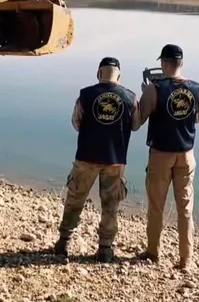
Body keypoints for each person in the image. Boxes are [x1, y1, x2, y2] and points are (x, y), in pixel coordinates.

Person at [53, 57, 142, 263]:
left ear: (98, 73)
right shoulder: (130, 98)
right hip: (115, 159)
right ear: (118, 76)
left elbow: (76, 123)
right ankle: (105, 249)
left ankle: (63, 242)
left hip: (86, 156)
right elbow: (136, 125)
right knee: (110, 206)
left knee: (75, 200)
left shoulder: (85, 95)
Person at [136, 44, 199, 270]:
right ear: (181, 63)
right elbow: (198, 118)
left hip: (161, 154)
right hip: (186, 155)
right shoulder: (196, 88)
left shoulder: (155, 88)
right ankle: (186, 259)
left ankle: (153, 252)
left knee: (157, 206)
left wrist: (144, 95)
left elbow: (137, 122)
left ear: (164, 63)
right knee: (185, 209)